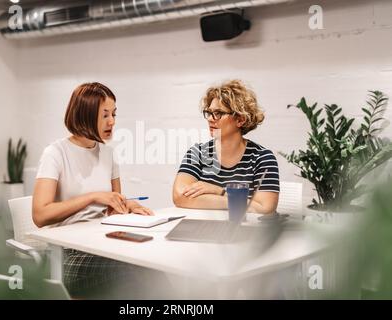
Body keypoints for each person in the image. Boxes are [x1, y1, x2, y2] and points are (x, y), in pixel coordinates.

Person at [32, 82, 156, 298]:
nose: (112, 122)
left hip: (102, 242)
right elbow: (40, 215)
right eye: (105, 115)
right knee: (132, 272)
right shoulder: (55, 153)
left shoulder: (108, 154)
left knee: (152, 264)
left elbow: (113, 209)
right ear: (85, 115)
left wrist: (127, 205)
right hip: (67, 254)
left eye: (114, 114)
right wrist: (92, 197)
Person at [173, 79, 280, 213]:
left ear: (240, 119)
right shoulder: (197, 153)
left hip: (245, 231)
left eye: (219, 113)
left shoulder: (262, 158)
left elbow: (265, 208)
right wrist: (241, 201)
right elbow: (179, 197)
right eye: (209, 112)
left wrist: (219, 191)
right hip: (205, 228)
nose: (210, 118)